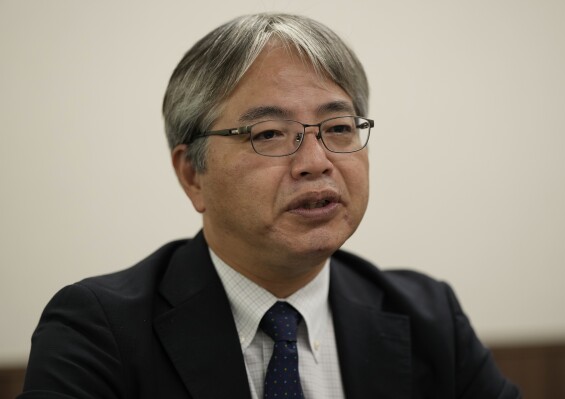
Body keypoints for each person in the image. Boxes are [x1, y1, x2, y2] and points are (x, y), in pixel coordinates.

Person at [19, 13, 520, 399]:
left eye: (339, 128)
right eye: (269, 134)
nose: (315, 162)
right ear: (192, 174)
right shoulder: (97, 330)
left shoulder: (429, 316)